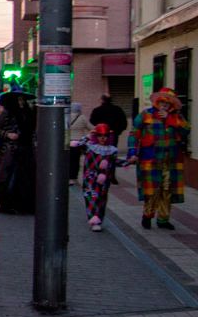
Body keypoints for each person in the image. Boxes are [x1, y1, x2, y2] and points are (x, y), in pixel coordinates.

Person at [127, 88, 190, 230]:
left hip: (170, 160)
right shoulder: (146, 115)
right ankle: (147, 215)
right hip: (150, 159)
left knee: (167, 190)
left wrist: (170, 119)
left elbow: (186, 130)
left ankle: (163, 219)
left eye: (168, 103)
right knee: (152, 190)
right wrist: (132, 152)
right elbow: (134, 133)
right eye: (162, 102)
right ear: (157, 102)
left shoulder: (177, 117)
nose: (165, 105)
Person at [76, 124, 119, 232]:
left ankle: (99, 219)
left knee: (102, 199)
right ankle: (93, 220)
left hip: (104, 179)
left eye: (105, 135)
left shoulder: (111, 150)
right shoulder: (89, 146)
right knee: (91, 198)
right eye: (100, 135)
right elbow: (78, 144)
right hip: (90, 178)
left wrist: (131, 161)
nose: (103, 138)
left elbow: (116, 162)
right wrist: (88, 135)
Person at [90, 94, 128, 183]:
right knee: (112, 155)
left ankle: (100, 174)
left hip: (100, 135)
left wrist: (99, 129)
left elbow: (92, 120)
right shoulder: (117, 110)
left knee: (99, 155)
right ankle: (111, 175)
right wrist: (118, 131)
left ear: (102, 100)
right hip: (113, 135)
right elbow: (124, 122)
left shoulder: (97, 110)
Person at [67, 102, 92, 186]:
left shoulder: (67, 117)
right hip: (78, 142)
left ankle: (66, 176)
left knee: (68, 160)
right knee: (75, 160)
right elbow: (91, 128)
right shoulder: (82, 118)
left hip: (67, 141)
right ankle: (73, 178)